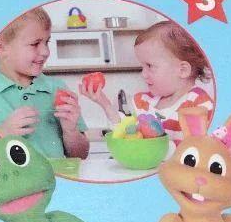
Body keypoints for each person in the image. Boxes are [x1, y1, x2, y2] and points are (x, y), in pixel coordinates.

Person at [0, 8, 89, 160]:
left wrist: (70, 131)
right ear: (1, 48)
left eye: (46, 42)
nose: (45, 52)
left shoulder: (57, 88)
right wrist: (3, 132)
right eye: (35, 44)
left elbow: (81, 155)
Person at [81, 21, 213, 143]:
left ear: (182, 70)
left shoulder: (200, 105)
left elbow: (202, 150)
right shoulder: (144, 102)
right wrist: (104, 103)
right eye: (142, 67)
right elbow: (123, 134)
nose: (143, 74)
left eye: (149, 66)